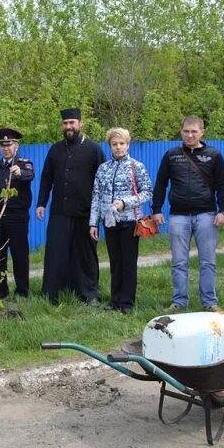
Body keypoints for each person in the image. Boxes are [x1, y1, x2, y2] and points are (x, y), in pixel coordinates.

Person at [151, 116, 224, 313]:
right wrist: (156, 209)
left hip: (206, 215)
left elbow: (223, 185)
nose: (190, 135)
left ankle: (210, 302)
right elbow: (160, 183)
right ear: (181, 131)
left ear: (202, 132)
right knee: (179, 261)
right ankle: (179, 302)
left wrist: (223, 211)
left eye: (194, 131)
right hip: (178, 216)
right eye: (186, 131)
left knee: (208, 261)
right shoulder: (172, 155)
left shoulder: (214, 155)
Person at [36, 108, 105, 304]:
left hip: (85, 213)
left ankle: (89, 294)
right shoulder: (55, 149)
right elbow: (46, 177)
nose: (69, 127)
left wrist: (100, 211)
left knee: (85, 255)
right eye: (65, 123)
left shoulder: (93, 149)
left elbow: (102, 180)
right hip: (59, 211)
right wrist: (42, 203)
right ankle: (52, 294)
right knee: (56, 253)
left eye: (72, 123)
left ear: (80, 124)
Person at [89, 128, 153, 315]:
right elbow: (96, 195)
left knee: (128, 262)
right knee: (115, 261)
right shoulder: (103, 168)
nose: (118, 147)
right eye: (114, 144)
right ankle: (115, 299)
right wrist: (93, 222)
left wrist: (125, 203)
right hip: (109, 223)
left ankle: (127, 301)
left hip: (130, 222)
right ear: (109, 146)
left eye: (121, 143)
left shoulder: (136, 166)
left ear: (128, 144)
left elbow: (147, 192)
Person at [0, 127, 34, 299]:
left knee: (20, 255)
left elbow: (30, 175)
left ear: (16, 145)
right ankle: (1, 290)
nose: (6, 148)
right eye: (2, 145)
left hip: (18, 217)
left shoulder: (23, 163)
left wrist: (20, 173)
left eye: (9, 144)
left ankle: (22, 291)